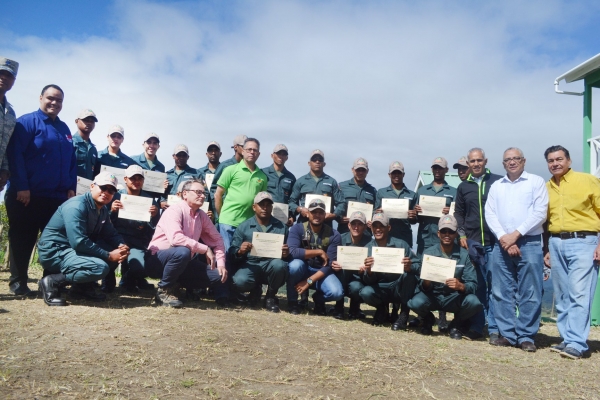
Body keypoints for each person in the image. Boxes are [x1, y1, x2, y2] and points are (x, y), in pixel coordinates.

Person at [6, 84, 77, 296]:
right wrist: (22, 186)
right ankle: (18, 283)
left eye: (59, 100)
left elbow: (71, 162)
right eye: (50, 98)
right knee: (23, 238)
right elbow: (15, 156)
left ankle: (49, 283)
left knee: (52, 242)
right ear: (40, 98)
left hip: (55, 198)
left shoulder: (64, 129)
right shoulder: (26, 123)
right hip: (26, 196)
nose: (54, 103)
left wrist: (70, 189)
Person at [484, 147, 548, 352]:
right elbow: (490, 213)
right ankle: (507, 334)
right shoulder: (496, 186)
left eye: (516, 159)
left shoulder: (536, 182)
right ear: (503, 164)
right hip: (500, 244)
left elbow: (540, 213)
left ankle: (526, 336)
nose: (512, 162)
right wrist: (505, 238)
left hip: (529, 242)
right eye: (507, 160)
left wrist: (515, 235)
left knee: (530, 290)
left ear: (524, 161)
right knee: (501, 291)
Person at [37, 171, 129, 306]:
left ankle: (80, 288)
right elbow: (78, 242)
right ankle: (52, 281)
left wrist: (121, 245)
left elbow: (111, 233)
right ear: (92, 186)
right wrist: (109, 255)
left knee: (112, 252)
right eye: (103, 187)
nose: (106, 192)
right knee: (99, 267)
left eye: (111, 190)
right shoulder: (76, 206)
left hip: (71, 250)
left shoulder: (102, 210)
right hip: (54, 251)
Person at [543, 145, 600, 359]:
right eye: (550, 160)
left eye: (559, 159)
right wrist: (547, 248)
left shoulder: (587, 181)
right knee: (563, 294)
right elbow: (548, 220)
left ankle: (577, 342)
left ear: (569, 160)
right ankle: (567, 338)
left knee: (579, 293)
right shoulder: (547, 187)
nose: (555, 163)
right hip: (556, 243)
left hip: (584, 241)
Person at [146, 179, 228, 308]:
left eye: (204, 193)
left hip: (181, 262)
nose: (202, 196)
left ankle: (176, 285)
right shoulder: (174, 210)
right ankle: (164, 290)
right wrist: (204, 248)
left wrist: (221, 263)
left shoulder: (201, 215)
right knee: (183, 251)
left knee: (217, 276)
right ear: (185, 194)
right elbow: (176, 239)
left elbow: (217, 239)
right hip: (157, 260)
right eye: (198, 192)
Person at [454, 148, 502, 342]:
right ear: (468, 163)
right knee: (479, 286)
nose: (475, 164)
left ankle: (495, 329)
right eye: (472, 161)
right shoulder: (464, 186)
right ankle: (478, 326)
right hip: (474, 244)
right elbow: (459, 213)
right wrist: (462, 234)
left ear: (485, 161)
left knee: (497, 287)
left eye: (479, 161)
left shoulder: (498, 182)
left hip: (496, 243)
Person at [408, 215, 482, 338]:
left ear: (456, 234)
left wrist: (461, 286)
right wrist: (426, 283)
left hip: (453, 297)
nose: (447, 234)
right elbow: (421, 285)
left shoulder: (464, 255)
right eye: (443, 231)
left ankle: (456, 324)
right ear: (438, 233)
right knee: (415, 302)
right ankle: (428, 319)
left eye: (451, 231)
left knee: (474, 302)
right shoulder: (428, 253)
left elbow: (473, 284)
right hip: (434, 295)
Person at [349, 212, 419, 329]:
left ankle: (403, 314)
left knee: (410, 276)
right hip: (380, 287)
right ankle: (382, 309)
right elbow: (367, 280)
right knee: (366, 292)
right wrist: (369, 271)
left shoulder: (401, 244)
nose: (378, 229)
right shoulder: (368, 248)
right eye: (375, 226)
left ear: (389, 228)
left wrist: (410, 266)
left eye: (381, 226)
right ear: (371, 228)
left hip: (398, 286)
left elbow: (418, 266)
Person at [229, 192, 290, 312]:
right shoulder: (244, 226)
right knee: (239, 281)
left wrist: (286, 254)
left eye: (268, 205)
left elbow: (289, 254)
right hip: (251, 264)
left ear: (272, 208)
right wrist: (240, 251)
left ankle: (270, 297)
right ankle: (255, 290)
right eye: (261, 205)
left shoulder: (282, 227)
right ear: (254, 207)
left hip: (271, 264)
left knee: (280, 265)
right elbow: (232, 252)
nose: (265, 208)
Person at [106, 165, 161, 292]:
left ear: (143, 181)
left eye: (139, 179)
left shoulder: (150, 200)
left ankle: (127, 280)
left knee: (140, 267)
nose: (136, 181)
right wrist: (112, 211)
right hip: (117, 239)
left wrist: (153, 216)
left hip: (137, 240)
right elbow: (104, 221)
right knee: (106, 260)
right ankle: (108, 281)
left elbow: (156, 227)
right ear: (125, 179)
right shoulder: (115, 196)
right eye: (133, 178)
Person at [287, 198, 343, 315]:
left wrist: (308, 282)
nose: (317, 215)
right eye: (314, 212)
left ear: (325, 215)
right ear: (307, 214)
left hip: (321, 271)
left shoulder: (334, 234)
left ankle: (318, 299)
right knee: (294, 266)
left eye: (321, 212)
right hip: (303, 268)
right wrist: (319, 252)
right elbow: (292, 251)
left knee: (336, 293)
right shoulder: (298, 228)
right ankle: (292, 302)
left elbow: (328, 265)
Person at [214, 138, 268, 252]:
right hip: (228, 223)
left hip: (248, 225)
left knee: (243, 257)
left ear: (259, 154)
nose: (252, 152)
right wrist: (221, 216)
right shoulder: (230, 170)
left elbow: (262, 202)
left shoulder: (262, 177)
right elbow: (218, 194)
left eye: (255, 150)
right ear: (242, 151)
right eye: (249, 149)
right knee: (227, 256)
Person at [330, 211, 372, 319]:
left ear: (365, 227)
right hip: (341, 276)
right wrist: (333, 264)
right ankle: (338, 307)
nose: (356, 227)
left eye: (360, 224)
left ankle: (354, 309)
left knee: (356, 287)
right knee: (342, 270)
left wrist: (366, 270)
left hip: (358, 279)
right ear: (349, 225)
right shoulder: (339, 238)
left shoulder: (370, 243)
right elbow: (331, 258)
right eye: (354, 224)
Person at [289, 149, 345, 225]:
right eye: (314, 159)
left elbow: (341, 203)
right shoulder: (300, 181)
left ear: (324, 164)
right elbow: (291, 202)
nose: (317, 162)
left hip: (325, 225)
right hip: (304, 223)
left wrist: (334, 215)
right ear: (309, 163)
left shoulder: (331, 182)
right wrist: (300, 209)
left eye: (320, 160)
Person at [415, 157, 456, 255]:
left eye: (440, 168)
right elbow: (414, 219)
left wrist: (450, 211)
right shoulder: (422, 190)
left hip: (445, 238)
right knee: (423, 266)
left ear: (446, 170)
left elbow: (457, 216)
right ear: (432, 169)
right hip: (425, 238)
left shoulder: (453, 191)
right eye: (435, 168)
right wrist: (415, 212)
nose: (437, 170)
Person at [375, 161, 418, 246]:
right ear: (389, 175)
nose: (396, 175)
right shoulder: (381, 192)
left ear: (403, 174)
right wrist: (377, 213)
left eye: (399, 173)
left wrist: (413, 216)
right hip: (386, 235)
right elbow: (374, 213)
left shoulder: (412, 195)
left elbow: (415, 220)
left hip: (404, 235)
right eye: (394, 173)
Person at [209, 135, 246, 216]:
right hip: (226, 212)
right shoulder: (225, 166)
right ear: (235, 147)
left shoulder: (249, 167)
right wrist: (219, 213)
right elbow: (214, 189)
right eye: (243, 146)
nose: (246, 149)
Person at [338, 158, 376, 235]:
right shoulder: (342, 186)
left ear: (367, 171)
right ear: (352, 170)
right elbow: (334, 205)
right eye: (358, 170)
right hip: (345, 231)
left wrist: (372, 220)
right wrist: (338, 217)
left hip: (365, 234)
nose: (360, 172)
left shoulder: (373, 191)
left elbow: (375, 210)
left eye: (363, 170)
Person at [262, 144, 296, 226]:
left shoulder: (291, 177)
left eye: (284, 154)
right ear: (272, 155)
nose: (281, 156)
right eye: (278, 154)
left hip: (283, 219)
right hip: (264, 215)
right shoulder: (262, 173)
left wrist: (292, 216)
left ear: (287, 158)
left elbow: (293, 199)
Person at [161, 144, 201, 209]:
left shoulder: (196, 174)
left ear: (188, 157)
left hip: (188, 211)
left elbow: (203, 193)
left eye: (184, 155)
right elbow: (162, 191)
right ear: (173, 156)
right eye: (179, 155)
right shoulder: (167, 175)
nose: (181, 158)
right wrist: (162, 201)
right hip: (169, 210)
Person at [0, 57, 18, 192]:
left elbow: (5, 144)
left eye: (9, 75)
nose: (4, 78)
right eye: (1, 73)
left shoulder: (10, 113)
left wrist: (5, 171)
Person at [72, 109, 98, 180]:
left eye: (92, 121)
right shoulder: (70, 143)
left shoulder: (93, 149)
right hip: (69, 188)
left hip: (86, 189)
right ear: (76, 121)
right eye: (86, 120)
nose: (89, 123)